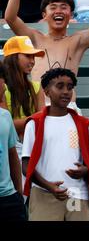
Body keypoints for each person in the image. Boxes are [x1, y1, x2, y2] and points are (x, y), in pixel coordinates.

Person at [5, 0, 89, 103]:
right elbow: (10, 18)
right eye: (53, 7)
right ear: (44, 15)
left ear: (71, 15)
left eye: (64, 7)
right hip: (39, 107)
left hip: (68, 107)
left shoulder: (77, 41)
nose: (58, 11)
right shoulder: (35, 38)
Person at [22, 68, 89, 221]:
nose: (66, 91)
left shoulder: (82, 124)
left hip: (76, 194)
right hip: (44, 194)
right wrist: (49, 186)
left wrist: (86, 170)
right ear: (47, 91)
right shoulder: (34, 124)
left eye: (70, 87)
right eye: (60, 86)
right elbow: (26, 165)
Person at [1, 36, 46, 165]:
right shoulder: (2, 87)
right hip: (7, 149)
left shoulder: (37, 87)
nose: (32, 61)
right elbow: (6, 126)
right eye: (28, 56)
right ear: (13, 57)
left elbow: (42, 121)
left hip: (32, 146)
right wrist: (33, 119)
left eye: (33, 57)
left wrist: (23, 122)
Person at [0, 61, 27, 221]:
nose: (3, 89)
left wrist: (18, 193)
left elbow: (13, 157)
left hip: (9, 198)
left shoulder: (5, 116)